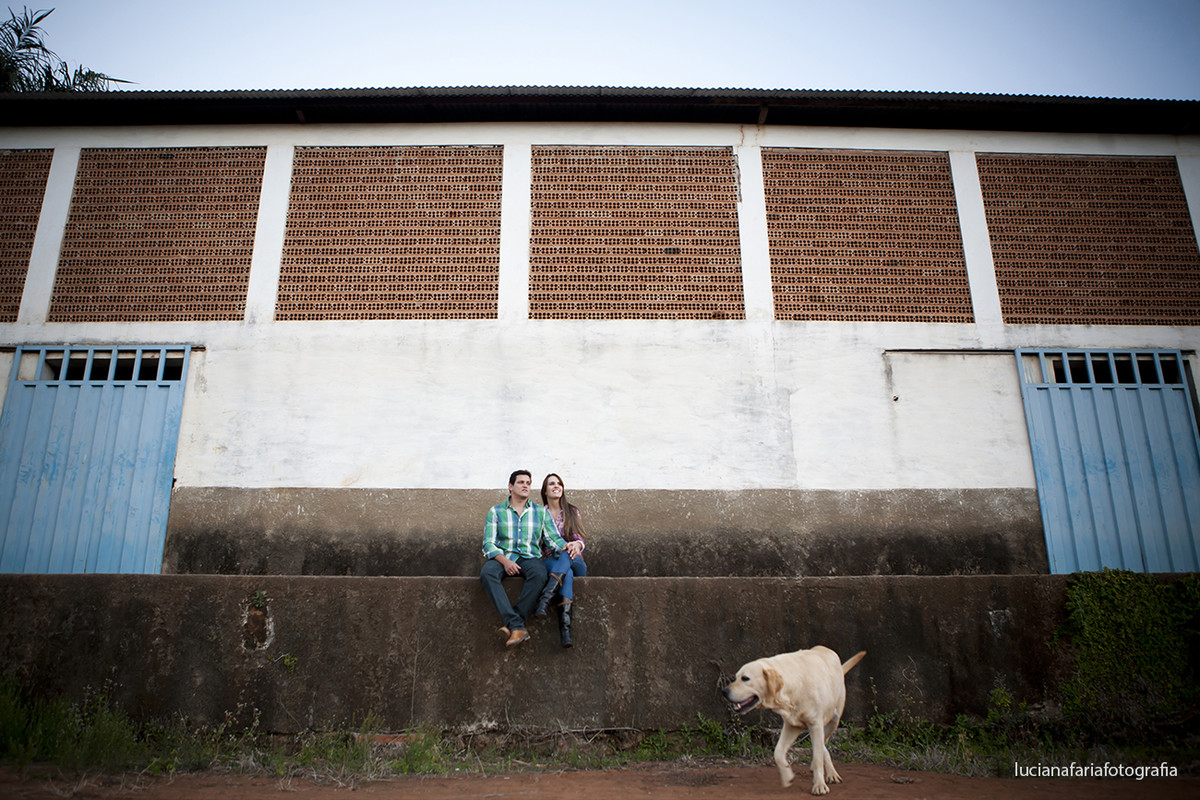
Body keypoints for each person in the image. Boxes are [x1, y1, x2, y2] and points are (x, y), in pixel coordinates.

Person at [480, 469, 582, 646]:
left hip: (530, 557)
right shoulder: (496, 512)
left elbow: (552, 538)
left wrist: (567, 546)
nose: (525, 485)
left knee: (540, 574)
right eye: (521, 482)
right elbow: (488, 543)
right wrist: (505, 561)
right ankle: (517, 625)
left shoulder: (539, 512)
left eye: (528, 483)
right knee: (487, 574)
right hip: (504, 556)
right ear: (510, 486)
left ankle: (512, 625)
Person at [532, 473, 588, 647]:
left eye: (559, 484)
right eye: (551, 484)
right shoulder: (540, 514)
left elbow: (579, 537)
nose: (556, 486)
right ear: (545, 490)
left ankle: (545, 598)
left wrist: (576, 545)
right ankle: (565, 631)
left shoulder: (572, 511)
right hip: (550, 560)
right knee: (567, 574)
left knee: (567, 555)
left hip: (574, 558)